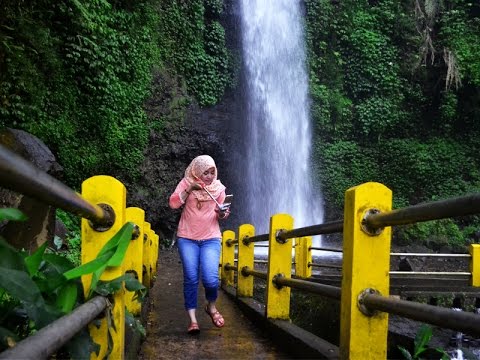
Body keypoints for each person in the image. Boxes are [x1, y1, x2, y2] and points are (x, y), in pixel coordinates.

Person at [168, 155, 230, 335]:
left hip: (211, 238)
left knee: (211, 280)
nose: (210, 176)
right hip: (187, 238)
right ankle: (193, 320)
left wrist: (221, 213)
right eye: (206, 172)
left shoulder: (218, 188)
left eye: (212, 172)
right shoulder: (186, 183)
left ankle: (210, 306)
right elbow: (173, 204)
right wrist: (189, 189)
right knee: (191, 278)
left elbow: (223, 214)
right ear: (196, 171)